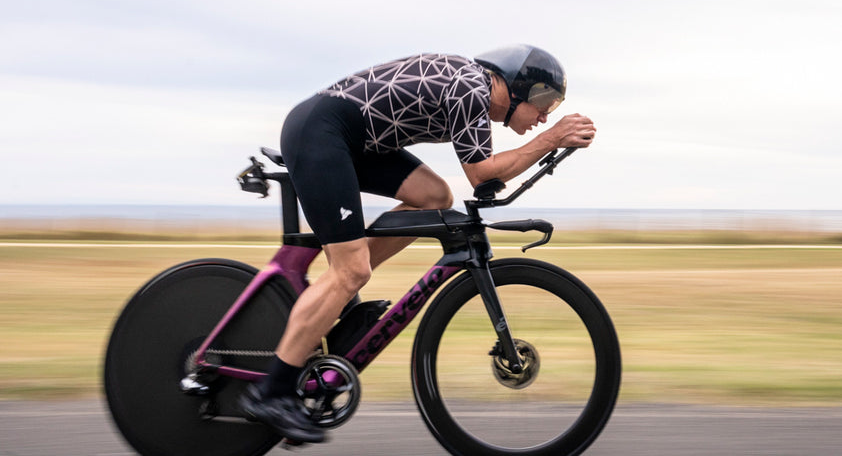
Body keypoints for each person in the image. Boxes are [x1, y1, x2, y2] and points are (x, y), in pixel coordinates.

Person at [239, 44, 596, 442]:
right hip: (321, 134)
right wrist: (550, 138)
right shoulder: (470, 88)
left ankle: (335, 289)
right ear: (514, 87)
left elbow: (488, 181)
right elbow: (483, 175)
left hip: (351, 140)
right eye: (544, 101)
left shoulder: (473, 88)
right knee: (351, 271)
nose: (545, 114)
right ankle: (269, 394)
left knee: (434, 197)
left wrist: (547, 140)